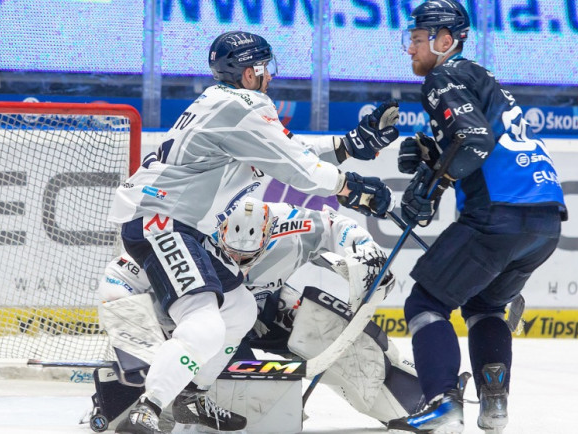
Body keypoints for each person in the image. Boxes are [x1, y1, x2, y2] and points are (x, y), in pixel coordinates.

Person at [106, 30, 400, 434]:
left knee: (240, 308)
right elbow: (297, 167)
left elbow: (283, 151)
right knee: (204, 324)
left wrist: (349, 146)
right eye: (265, 68)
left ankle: (192, 392)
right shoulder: (245, 107)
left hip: (178, 223)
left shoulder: (225, 105)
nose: (270, 77)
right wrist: (349, 187)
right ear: (250, 72)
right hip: (162, 219)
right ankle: (148, 409)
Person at [387, 1, 568, 433]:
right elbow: (480, 140)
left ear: (445, 41)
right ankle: (494, 406)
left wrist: (431, 184)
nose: (409, 49)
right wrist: (434, 159)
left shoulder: (443, 75)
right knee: (486, 305)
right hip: (544, 220)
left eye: (416, 39)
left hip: (499, 215)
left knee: (426, 302)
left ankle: (444, 405)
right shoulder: (481, 78)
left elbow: (472, 140)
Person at [99, 197, 421, 430]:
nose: (239, 265)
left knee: (324, 324)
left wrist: (363, 248)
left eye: (247, 257)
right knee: (222, 381)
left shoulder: (288, 224)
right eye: (232, 255)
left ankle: (407, 401)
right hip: (197, 318)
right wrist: (139, 343)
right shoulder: (193, 227)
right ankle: (156, 402)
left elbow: (335, 223)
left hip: (261, 307)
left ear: (268, 236)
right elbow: (120, 277)